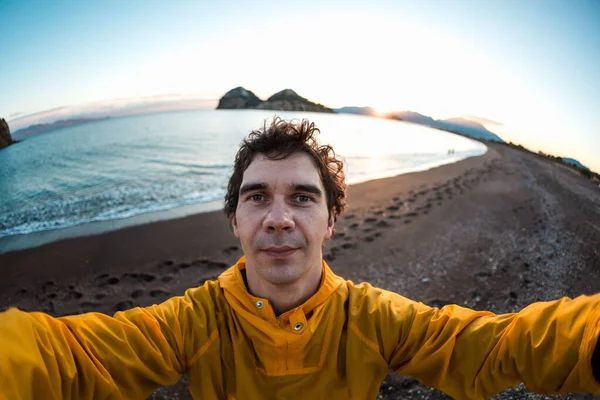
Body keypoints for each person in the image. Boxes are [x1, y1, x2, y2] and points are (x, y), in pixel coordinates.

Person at [1, 117, 599, 400]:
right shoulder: (192, 322)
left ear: (331, 219)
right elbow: (66, 356)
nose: (279, 217)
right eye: (257, 196)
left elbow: (497, 344)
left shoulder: (373, 318)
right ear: (235, 221)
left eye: (303, 198)